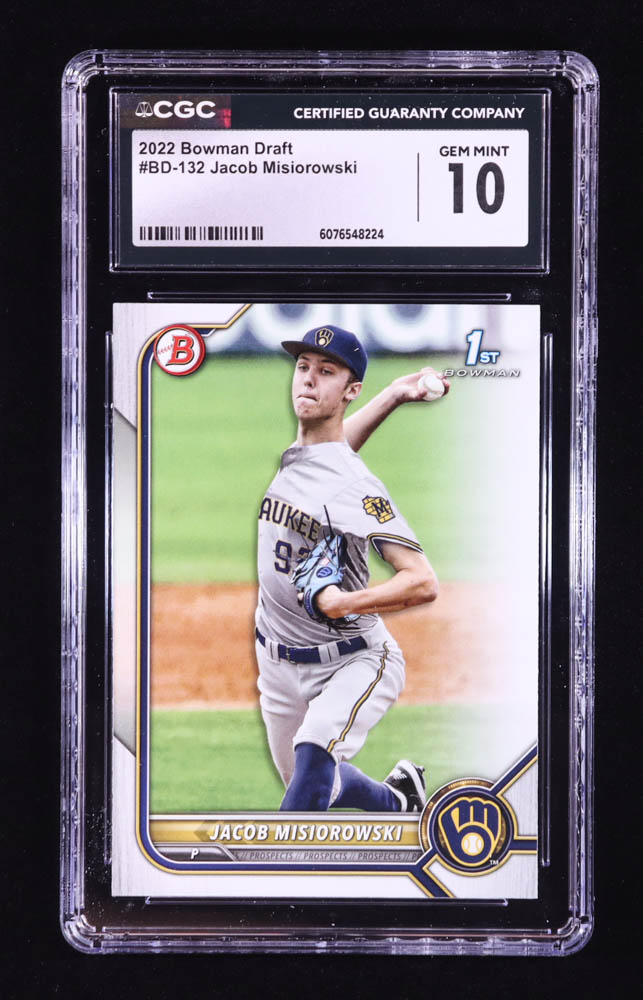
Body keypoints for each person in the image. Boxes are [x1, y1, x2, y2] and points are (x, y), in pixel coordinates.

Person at [254, 324, 449, 812]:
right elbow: (334, 453)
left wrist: (344, 602)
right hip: (276, 666)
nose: (308, 378)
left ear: (349, 390)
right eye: (303, 367)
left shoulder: (357, 487)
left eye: (326, 371)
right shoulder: (306, 456)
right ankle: (399, 799)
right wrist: (394, 395)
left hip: (353, 659)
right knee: (319, 783)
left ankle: (276, 865)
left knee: (310, 777)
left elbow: (422, 581)